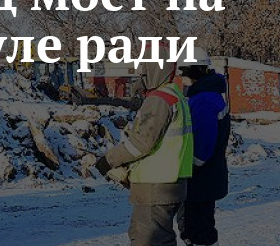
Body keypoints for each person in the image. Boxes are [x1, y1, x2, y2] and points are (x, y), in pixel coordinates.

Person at [95, 60, 194, 246]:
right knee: (158, 238)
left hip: (156, 187)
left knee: (149, 240)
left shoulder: (159, 100)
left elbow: (141, 143)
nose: (141, 74)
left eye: (145, 69)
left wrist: (109, 160)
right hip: (170, 183)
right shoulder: (175, 96)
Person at [179, 48, 230, 246]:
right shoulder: (211, 94)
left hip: (202, 176)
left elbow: (203, 142)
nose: (182, 77)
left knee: (199, 229)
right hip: (211, 173)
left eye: (184, 72)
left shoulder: (203, 100)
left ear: (195, 70)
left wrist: (191, 166)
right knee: (203, 226)